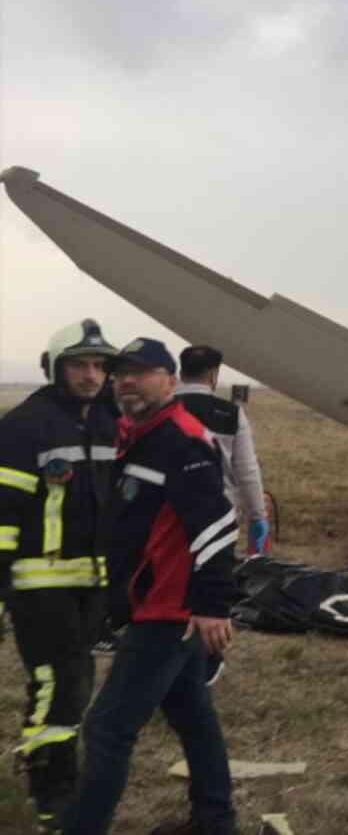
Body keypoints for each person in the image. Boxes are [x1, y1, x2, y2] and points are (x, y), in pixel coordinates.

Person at [58, 338, 240, 835]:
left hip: (168, 610)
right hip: (153, 604)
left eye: (139, 372)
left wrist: (211, 604)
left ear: (168, 378)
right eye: (121, 374)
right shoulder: (137, 432)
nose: (126, 381)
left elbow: (217, 522)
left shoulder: (182, 439)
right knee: (192, 716)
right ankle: (215, 821)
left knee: (107, 729)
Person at [0, 319, 118, 831]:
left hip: (93, 585)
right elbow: (2, 513)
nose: (91, 375)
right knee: (59, 684)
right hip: (38, 584)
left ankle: (60, 776)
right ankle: (53, 800)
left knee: (78, 683)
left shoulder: (108, 423)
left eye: (99, 366)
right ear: (54, 368)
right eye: (79, 365)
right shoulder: (26, 425)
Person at [174, 345, 270, 555]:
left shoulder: (161, 410)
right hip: (218, 516)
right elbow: (247, 471)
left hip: (168, 516)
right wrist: (258, 516)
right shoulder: (232, 414)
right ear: (213, 374)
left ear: (181, 373)